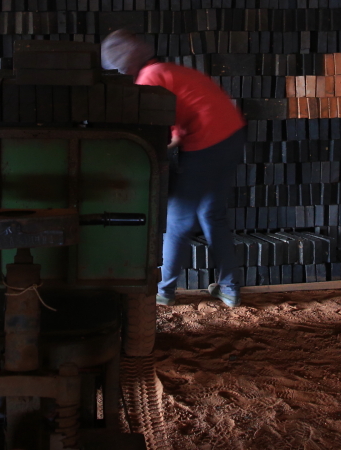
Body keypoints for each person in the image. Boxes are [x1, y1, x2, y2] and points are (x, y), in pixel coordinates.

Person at [101, 30, 246, 307]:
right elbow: (177, 128)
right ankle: (228, 288)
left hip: (208, 141)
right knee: (212, 215)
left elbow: (157, 135)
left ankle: (163, 291)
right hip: (231, 134)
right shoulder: (168, 71)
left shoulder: (149, 79)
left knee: (178, 219)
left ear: (125, 66)